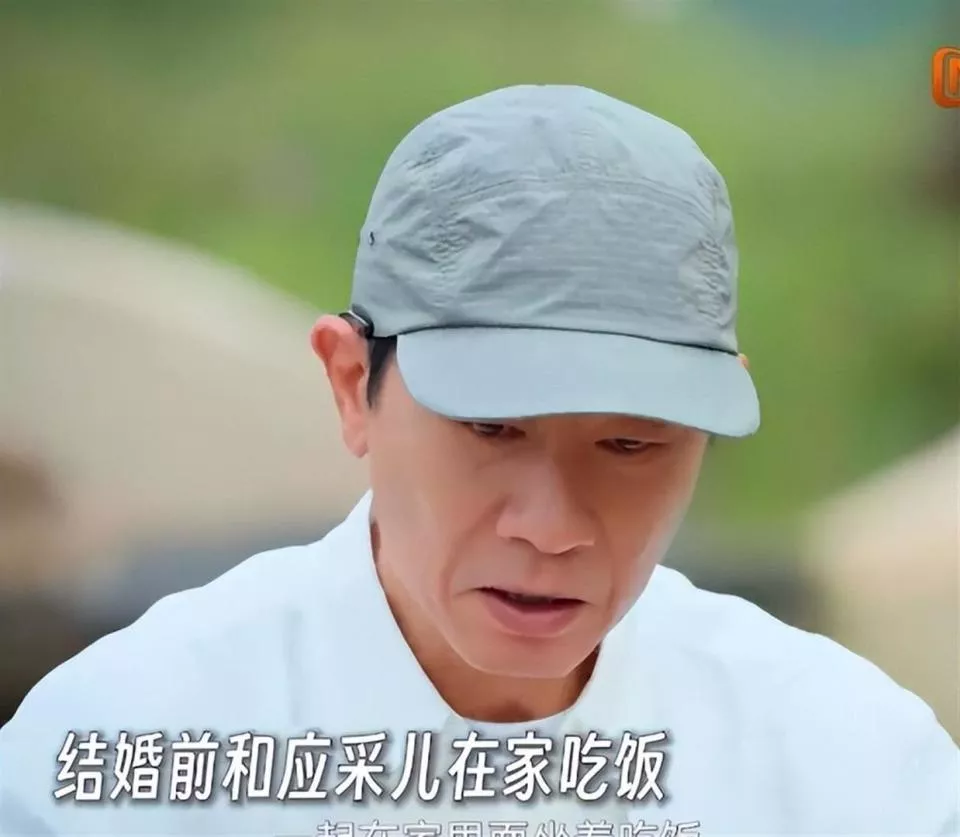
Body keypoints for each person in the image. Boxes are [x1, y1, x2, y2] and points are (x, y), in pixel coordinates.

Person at [0, 84, 956, 837]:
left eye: (630, 443)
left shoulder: (847, 766)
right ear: (352, 384)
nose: (552, 527)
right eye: (491, 428)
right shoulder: (125, 750)